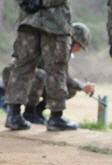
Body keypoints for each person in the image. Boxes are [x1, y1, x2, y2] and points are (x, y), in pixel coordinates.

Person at [2, 22, 95, 127]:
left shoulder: (61, 49)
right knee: (40, 76)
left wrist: (79, 86)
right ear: (73, 40)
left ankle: (38, 110)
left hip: (26, 77)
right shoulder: (53, 45)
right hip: (15, 76)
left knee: (68, 88)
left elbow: (62, 76)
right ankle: (29, 113)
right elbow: (60, 75)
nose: (78, 50)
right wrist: (82, 86)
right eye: (80, 46)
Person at [4, 0, 74, 131]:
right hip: (55, 22)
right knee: (56, 68)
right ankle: (56, 117)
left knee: (22, 66)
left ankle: (13, 115)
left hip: (29, 20)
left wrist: (26, 2)